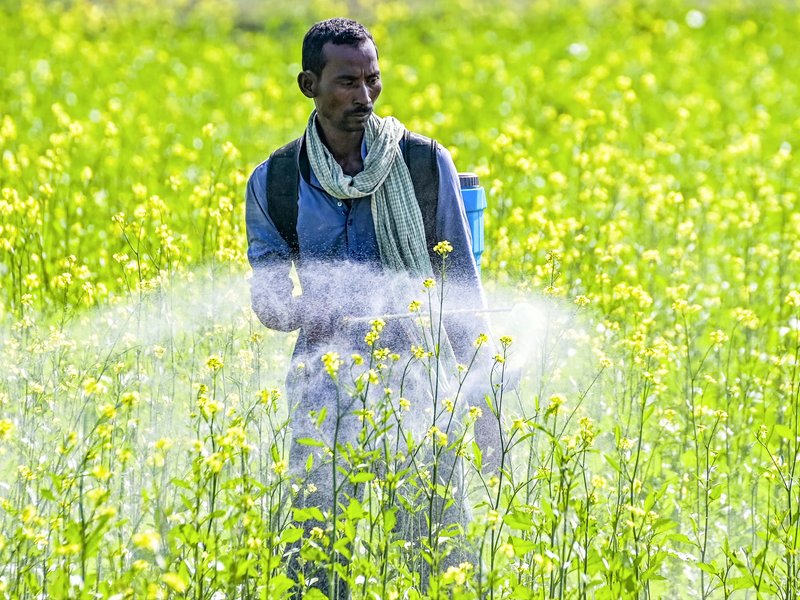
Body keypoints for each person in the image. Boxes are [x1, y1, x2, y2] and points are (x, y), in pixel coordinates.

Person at [245, 17, 497, 597]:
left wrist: (482, 406)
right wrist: (306, 311)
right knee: (314, 550)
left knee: (436, 547)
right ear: (309, 84)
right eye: (345, 82)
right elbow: (268, 292)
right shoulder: (276, 181)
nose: (363, 97)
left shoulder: (422, 163)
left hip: (420, 377)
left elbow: (460, 288)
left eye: (372, 80)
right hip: (321, 385)